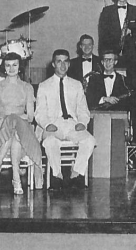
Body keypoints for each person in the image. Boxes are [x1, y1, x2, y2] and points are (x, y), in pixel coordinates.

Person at [0, 53, 43, 193]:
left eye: (15, 65)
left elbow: (31, 116)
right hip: (0, 125)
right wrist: (7, 119)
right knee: (12, 131)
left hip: (22, 126)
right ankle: (16, 179)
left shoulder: (27, 87)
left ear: (20, 67)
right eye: (8, 65)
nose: (11, 68)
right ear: (4, 67)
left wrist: (15, 118)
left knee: (16, 128)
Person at [36, 49, 96, 190]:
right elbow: (40, 112)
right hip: (53, 124)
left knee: (89, 140)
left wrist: (82, 122)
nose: (62, 65)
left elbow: (83, 109)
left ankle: (76, 174)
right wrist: (47, 124)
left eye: (65, 62)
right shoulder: (44, 86)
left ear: (69, 64)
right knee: (50, 141)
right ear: (53, 64)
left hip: (72, 124)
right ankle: (57, 176)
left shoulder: (77, 85)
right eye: (59, 61)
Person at [97, 0, 136, 69]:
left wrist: (132, 33)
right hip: (111, 51)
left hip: (129, 52)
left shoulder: (135, 10)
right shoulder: (107, 11)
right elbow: (102, 34)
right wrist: (103, 53)